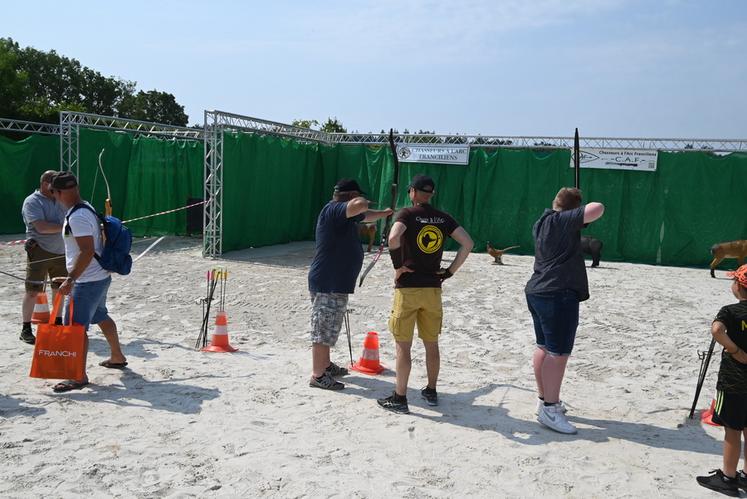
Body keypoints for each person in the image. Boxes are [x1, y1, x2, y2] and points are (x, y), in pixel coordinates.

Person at [377, 174, 473, 414]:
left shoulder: (407, 214)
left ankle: (400, 398)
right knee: (431, 344)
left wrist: (398, 266)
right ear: (431, 194)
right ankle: (431, 390)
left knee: (403, 346)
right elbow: (468, 243)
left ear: (412, 192)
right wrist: (449, 272)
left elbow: (393, 237)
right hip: (433, 288)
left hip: (408, 288)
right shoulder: (442, 218)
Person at [525, 187, 604, 434]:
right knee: (558, 354)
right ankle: (549, 409)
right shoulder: (561, 221)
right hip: (557, 293)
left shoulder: (543, 221)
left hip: (539, 290)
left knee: (544, 347)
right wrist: (579, 213)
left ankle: (546, 399)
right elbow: (598, 207)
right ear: (573, 211)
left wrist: (575, 216)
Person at [307, 178, 392, 390]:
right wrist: (362, 200)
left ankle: (325, 366)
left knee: (329, 327)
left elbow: (365, 214)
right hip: (329, 282)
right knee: (322, 328)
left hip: (334, 282)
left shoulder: (344, 215)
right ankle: (318, 376)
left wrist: (384, 213)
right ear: (350, 196)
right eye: (357, 195)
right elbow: (360, 206)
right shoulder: (335, 209)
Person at [49, 171, 127, 393]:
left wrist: (71, 279)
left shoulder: (77, 216)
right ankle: (117, 357)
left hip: (86, 281)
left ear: (58, 192)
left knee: (74, 328)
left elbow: (87, 250)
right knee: (100, 315)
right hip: (98, 276)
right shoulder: (85, 207)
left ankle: (77, 376)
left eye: (54, 193)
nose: (54, 197)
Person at [696, 264, 747, 496]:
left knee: (732, 431)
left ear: (738, 286)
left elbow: (716, 330)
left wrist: (734, 350)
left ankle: (728, 477)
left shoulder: (730, 311)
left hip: (734, 383)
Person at [20, 170, 68, 344]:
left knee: (60, 289)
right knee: (33, 291)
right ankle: (26, 329)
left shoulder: (61, 199)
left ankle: (57, 322)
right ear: (45, 183)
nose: (58, 189)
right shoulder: (32, 201)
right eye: (54, 184)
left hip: (61, 251)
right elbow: (41, 227)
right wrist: (67, 226)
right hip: (39, 250)